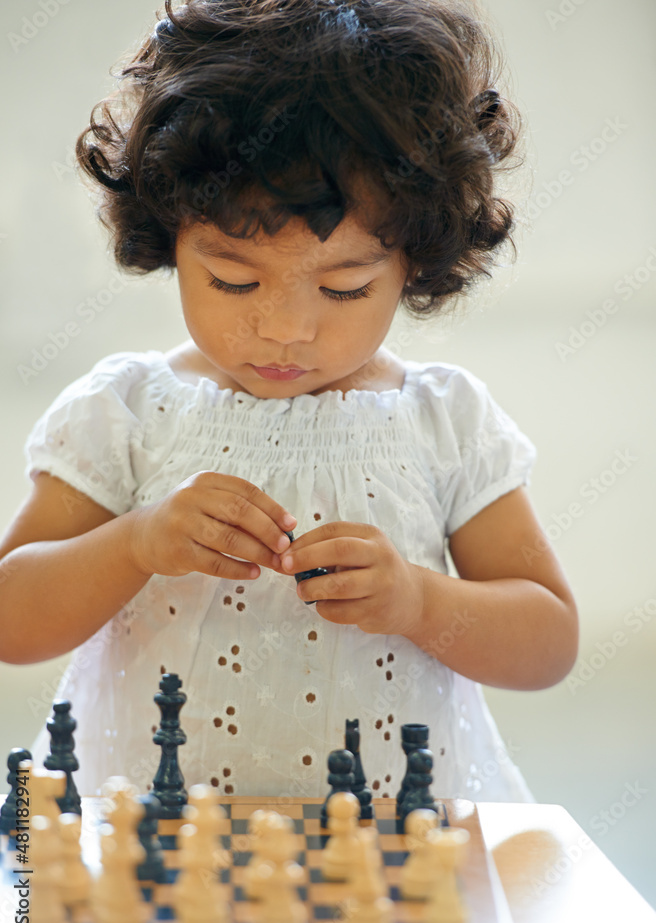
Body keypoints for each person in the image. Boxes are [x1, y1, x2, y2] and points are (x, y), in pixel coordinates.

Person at [0, 0, 578, 801]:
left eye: (344, 289)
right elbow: (12, 619)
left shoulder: (444, 420)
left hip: (390, 851)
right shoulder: (128, 410)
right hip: (154, 844)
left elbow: (548, 642)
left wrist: (419, 599)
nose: (285, 330)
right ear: (167, 234)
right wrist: (134, 544)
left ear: (417, 258)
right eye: (233, 280)